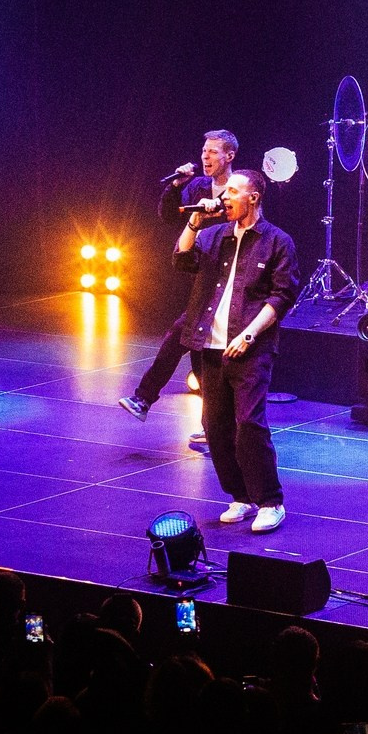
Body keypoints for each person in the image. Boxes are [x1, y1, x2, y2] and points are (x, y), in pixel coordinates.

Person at [173, 169, 301, 533]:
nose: (224, 196)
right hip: (210, 346)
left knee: (249, 424)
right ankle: (240, 496)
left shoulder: (277, 241)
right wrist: (195, 223)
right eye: (225, 191)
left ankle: (270, 501)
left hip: (250, 348)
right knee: (215, 428)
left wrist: (249, 334)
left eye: (232, 191)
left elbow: (282, 295)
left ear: (253, 197)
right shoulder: (214, 235)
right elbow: (181, 259)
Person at [120, 130, 240, 419]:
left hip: (228, 278)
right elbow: (169, 216)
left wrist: (221, 208)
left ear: (229, 156)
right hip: (200, 274)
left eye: (213, 152)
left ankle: (144, 398)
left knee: (181, 337)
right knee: (198, 353)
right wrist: (175, 186)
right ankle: (212, 425)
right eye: (204, 151)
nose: (205, 157)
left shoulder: (239, 189)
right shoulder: (198, 186)